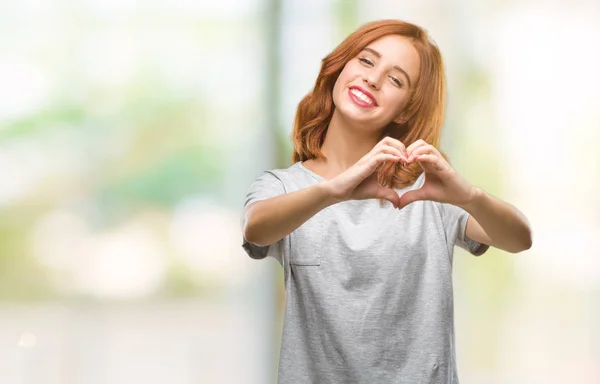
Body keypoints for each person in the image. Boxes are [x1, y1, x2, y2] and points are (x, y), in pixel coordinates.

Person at [240, 19, 532, 384]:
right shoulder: (284, 187)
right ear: (339, 68)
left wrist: (469, 196)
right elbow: (256, 228)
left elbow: (520, 238)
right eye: (365, 61)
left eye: (396, 80)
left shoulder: (427, 191)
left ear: (406, 109)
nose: (373, 79)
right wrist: (333, 190)